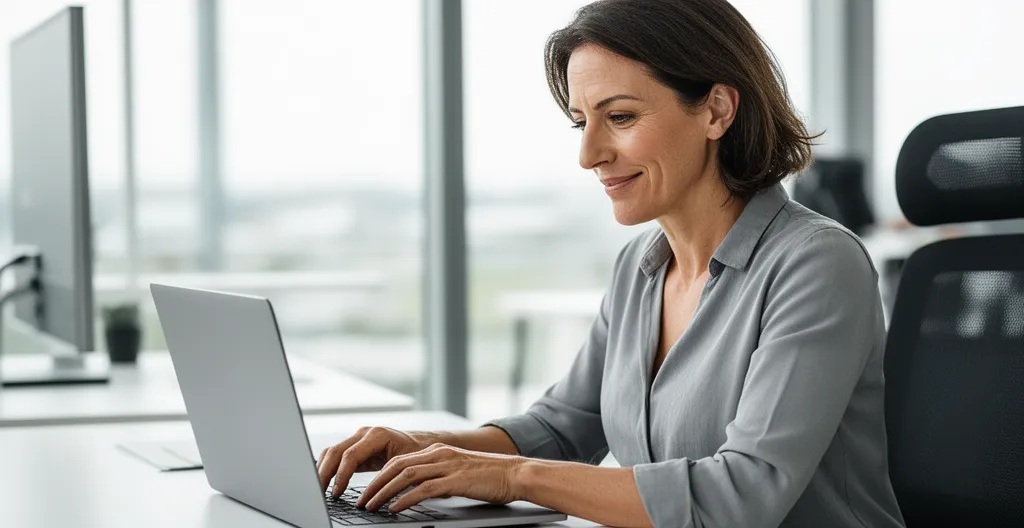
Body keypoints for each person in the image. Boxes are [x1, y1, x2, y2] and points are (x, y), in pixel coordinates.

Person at [316, 1, 906, 526]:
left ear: (716, 111)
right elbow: (562, 427)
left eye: (619, 117)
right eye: (582, 122)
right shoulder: (640, 268)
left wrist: (513, 477)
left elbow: (741, 497)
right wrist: (424, 449)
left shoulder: (816, 264)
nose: (588, 154)